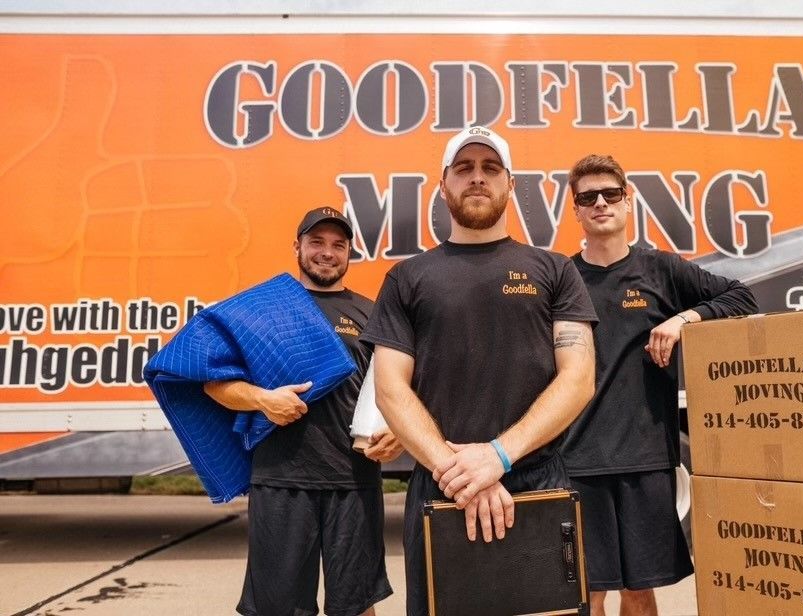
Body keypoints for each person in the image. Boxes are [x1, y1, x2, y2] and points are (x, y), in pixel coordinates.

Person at [360, 126, 598, 616]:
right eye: (463, 168)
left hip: (536, 485)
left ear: (510, 185)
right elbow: (390, 390)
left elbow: (578, 378)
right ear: (442, 184)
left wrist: (498, 456)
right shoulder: (407, 278)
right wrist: (462, 474)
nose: (477, 178)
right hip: (441, 491)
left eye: (491, 168)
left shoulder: (554, 270)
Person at [561, 154, 758, 616]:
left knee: (640, 593)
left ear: (627, 201)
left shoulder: (661, 270)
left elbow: (741, 296)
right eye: (588, 197)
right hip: (577, 459)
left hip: (647, 458)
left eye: (611, 194)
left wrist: (684, 319)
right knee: (585, 596)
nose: (601, 203)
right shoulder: (562, 278)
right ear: (577, 211)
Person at [204, 207, 403, 616]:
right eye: (317, 243)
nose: (327, 253)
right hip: (280, 479)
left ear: (349, 253)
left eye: (338, 245)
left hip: (353, 480)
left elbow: (394, 390)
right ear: (297, 247)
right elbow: (215, 384)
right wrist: (264, 400)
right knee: (278, 607)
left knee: (356, 604)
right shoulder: (263, 310)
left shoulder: (371, 314)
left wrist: (396, 433)